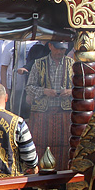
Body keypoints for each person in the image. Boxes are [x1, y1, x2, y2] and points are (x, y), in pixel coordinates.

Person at [25, 41, 74, 170]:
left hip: (64, 113)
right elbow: (29, 87)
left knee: (65, 145)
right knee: (40, 143)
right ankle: (38, 173)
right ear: (50, 46)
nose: (60, 52)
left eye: (62, 49)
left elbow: (81, 88)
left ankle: (62, 173)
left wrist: (70, 91)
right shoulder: (38, 64)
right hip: (42, 113)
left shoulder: (72, 64)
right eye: (58, 49)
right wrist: (44, 91)